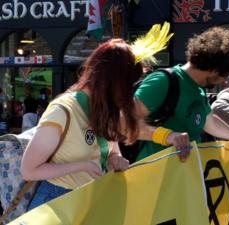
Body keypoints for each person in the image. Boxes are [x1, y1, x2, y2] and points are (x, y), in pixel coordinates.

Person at [21, 39, 142, 209]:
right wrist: (81, 166)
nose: (129, 92)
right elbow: (29, 170)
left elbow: (112, 151)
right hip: (55, 203)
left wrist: (116, 160)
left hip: (89, 199)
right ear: (111, 81)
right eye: (126, 85)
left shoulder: (105, 109)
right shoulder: (62, 110)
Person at [134, 26, 229, 162]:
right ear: (214, 70)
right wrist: (167, 136)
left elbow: (210, 123)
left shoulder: (199, 89)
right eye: (226, 74)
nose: (226, 80)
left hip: (184, 176)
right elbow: (124, 125)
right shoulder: (162, 81)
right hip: (152, 176)